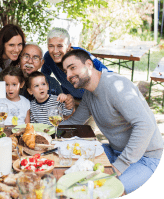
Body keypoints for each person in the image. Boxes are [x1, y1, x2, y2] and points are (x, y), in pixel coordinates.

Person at [61, 49, 163, 194]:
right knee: (72, 166)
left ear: (89, 64)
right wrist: (46, 134)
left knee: (106, 191)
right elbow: (74, 122)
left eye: (72, 68)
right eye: (66, 71)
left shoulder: (115, 86)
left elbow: (145, 126)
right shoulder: (89, 95)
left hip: (146, 158)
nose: (68, 75)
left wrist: (118, 167)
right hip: (115, 151)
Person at [41, 27, 109, 101]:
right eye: (51, 46)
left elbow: (106, 73)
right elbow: (43, 78)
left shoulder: (80, 54)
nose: (55, 51)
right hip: (72, 99)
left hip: (93, 99)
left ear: (68, 46)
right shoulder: (48, 57)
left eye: (60, 46)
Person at [18, 43, 74, 111]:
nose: (30, 61)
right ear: (19, 59)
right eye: (26, 56)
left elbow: (64, 110)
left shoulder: (52, 83)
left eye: (35, 58)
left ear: (41, 63)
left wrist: (68, 102)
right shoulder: (8, 80)